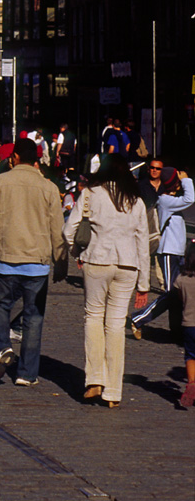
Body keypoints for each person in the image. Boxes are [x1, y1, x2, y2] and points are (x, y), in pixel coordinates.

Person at [63, 155, 149, 408]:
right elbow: (143, 244)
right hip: (128, 265)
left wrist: (77, 252)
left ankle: (94, 379)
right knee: (115, 325)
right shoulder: (136, 200)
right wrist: (144, 284)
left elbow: (69, 230)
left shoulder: (91, 193)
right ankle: (113, 391)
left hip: (97, 261)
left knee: (93, 317)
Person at [0, 136, 68, 386]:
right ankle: (27, 373)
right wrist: (61, 262)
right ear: (37, 161)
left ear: (14, 158)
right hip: (38, 264)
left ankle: (1, 348)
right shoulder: (49, 188)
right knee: (33, 318)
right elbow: (58, 229)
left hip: (5, 259)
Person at [130, 168, 195, 337]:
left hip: (178, 252)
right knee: (172, 293)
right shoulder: (165, 200)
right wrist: (187, 180)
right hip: (168, 252)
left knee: (177, 294)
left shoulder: (171, 200)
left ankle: (177, 329)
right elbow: (190, 198)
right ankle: (138, 318)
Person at [170, 241, 195, 408]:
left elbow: (178, 298)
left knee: (191, 356)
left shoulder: (182, 278)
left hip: (189, 324)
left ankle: (192, 382)